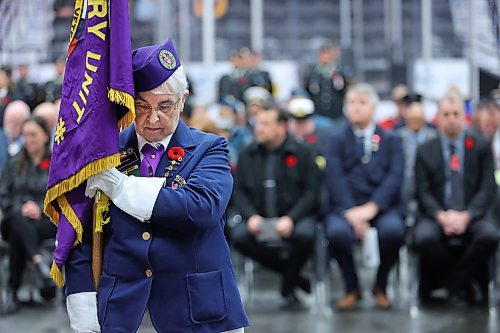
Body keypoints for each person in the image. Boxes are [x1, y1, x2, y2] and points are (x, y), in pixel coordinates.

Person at [65, 39, 248, 333]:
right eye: (141, 105)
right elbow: (79, 234)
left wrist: (120, 186)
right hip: (120, 310)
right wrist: (83, 301)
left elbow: (199, 210)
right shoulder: (103, 156)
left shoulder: (209, 149)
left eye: (165, 105)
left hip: (195, 309)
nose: (152, 118)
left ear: (183, 100)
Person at [323, 83, 405, 310]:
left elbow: (395, 176)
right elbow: (334, 177)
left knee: (394, 231)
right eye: (351, 103)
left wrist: (373, 207)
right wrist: (352, 212)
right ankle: (352, 287)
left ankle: (381, 284)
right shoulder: (334, 139)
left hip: (382, 206)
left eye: (362, 103)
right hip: (345, 207)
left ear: (374, 108)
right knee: (336, 233)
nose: (356, 108)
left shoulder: (392, 140)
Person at [231, 103, 319, 308]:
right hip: (258, 218)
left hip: (293, 218)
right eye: (257, 123)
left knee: (306, 235)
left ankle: (288, 284)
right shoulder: (246, 154)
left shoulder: (303, 152)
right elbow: (238, 191)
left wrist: (291, 218)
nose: (258, 128)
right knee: (239, 236)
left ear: (282, 127)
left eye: (265, 124)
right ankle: (293, 278)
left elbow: (312, 193)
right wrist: (251, 216)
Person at [414, 93, 499, 304]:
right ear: (438, 118)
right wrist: (441, 216)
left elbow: (488, 187)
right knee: (423, 238)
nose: (451, 119)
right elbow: (422, 191)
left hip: (473, 213)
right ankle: (464, 285)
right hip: (438, 213)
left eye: (456, 114)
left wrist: (467, 216)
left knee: (489, 235)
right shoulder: (425, 150)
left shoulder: (480, 146)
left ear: (464, 117)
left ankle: (453, 283)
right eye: (446, 114)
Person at [0, 116, 55, 314]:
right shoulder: (14, 163)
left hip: (44, 221)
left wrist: (38, 209)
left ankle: (12, 293)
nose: (29, 140)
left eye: (33, 135)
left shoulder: (56, 164)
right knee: (16, 218)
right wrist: (24, 208)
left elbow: (60, 197)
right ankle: (38, 260)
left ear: (45, 137)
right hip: (12, 218)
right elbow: (3, 196)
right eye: (25, 135)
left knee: (19, 232)